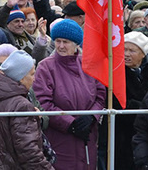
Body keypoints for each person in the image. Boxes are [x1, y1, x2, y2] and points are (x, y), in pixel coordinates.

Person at [33, 19, 106, 170]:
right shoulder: (46, 67)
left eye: (65, 42)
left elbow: (100, 94)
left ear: (76, 44)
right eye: (57, 41)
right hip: (59, 137)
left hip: (88, 135)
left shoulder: (89, 64)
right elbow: (43, 103)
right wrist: (70, 123)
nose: (60, 46)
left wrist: (91, 116)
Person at [0, 50, 54, 169]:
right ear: (21, 77)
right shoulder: (21, 105)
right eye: (32, 74)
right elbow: (29, 153)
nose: (34, 79)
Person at [112, 31, 148, 169]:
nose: (126, 54)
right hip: (123, 130)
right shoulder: (114, 70)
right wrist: (143, 108)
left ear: (143, 54)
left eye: (132, 50)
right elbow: (116, 101)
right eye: (124, 49)